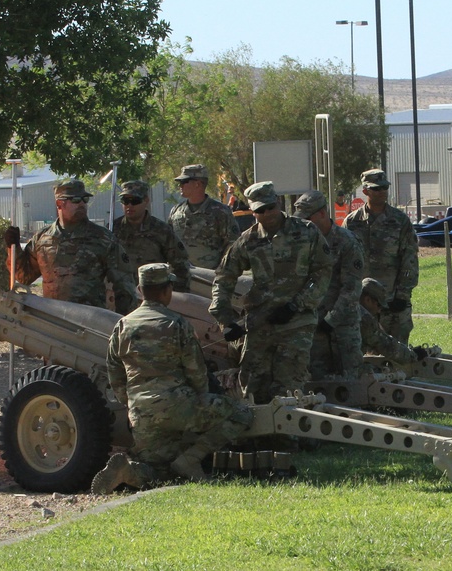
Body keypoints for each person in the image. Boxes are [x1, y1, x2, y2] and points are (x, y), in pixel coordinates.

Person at [92, 263, 253, 494]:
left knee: (160, 471)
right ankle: (191, 458)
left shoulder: (122, 326)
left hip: (141, 413)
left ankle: (129, 472)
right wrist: (200, 400)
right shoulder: (177, 325)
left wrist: (131, 403)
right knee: (242, 414)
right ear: (168, 291)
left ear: (139, 289)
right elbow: (198, 374)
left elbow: (114, 373)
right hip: (179, 407)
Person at [210, 181, 333, 404]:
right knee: (253, 387)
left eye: (270, 207)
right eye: (260, 210)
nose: (267, 214)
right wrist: (225, 319)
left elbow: (323, 271)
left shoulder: (306, 232)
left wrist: (297, 304)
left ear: (277, 202)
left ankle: (290, 438)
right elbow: (224, 276)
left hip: (297, 322)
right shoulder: (249, 240)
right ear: (253, 212)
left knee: (289, 386)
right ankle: (260, 438)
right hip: (260, 325)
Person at [4, 179, 138, 314]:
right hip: (53, 319)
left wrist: (122, 322)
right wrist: (13, 248)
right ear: (59, 203)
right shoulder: (42, 239)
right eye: (75, 199)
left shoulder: (103, 239)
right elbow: (24, 277)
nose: (81, 204)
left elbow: (125, 287)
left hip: (89, 322)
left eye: (85, 199)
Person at [293, 190, 366, 381]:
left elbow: (351, 289)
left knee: (350, 383)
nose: (304, 224)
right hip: (315, 325)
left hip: (343, 326)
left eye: (308, 218)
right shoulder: (303, 244)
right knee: (318, 382)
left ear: (323, 213)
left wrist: (331, 320)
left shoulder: (347, 242)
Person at [343, 169, 419, 344]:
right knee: (363, 355)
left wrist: (403, 295)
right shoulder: (352, 222)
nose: (382, 192)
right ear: (365, 191)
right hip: (363, 301)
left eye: (384, 187)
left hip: (393, 300)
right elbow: (344, 260)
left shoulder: (400, 221)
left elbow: (410, 259)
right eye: (377, 189)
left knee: (396, 356)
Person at [112, 180, 192, 292]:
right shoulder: (112, 229)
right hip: (122, 295)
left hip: (153, 294)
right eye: (125, 201)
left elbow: (180, 266)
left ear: (146, 201)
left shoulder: (161, 230)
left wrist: (175, 296)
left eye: (135, 201)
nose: (129, 205)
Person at [168, 164, 240, 269]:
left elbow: (232, 245)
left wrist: (223, 271)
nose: (180, 186)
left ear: (197, 184)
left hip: (210, 277)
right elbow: (168, 243)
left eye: (184, 182)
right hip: (181, 277)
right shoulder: (176, 211)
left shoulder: (220, 212)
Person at [358, 277, 429, 365]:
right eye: (379, 305)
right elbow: (386, 346)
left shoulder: (346, 305)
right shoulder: (363, 317)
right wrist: (412, 355)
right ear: (367, 300)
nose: (379, 311)